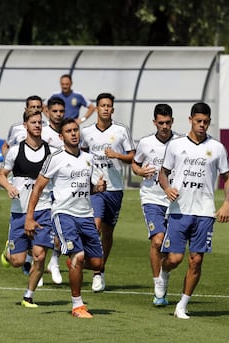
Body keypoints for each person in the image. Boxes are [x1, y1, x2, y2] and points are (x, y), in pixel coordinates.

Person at [156, 102, 229, 319]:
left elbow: (228, 178)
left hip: (205, 212)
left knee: (196, 260)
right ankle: (163, 272)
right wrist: (167, 187)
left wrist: (227, 202)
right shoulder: (176, 145)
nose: (202, 125)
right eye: (198, 121)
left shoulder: (217, 148)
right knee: (175, 258)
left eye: (206, 122)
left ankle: (182, 304)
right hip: (179, 210)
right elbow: (163, 172)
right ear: (190, 119)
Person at [24, 118, 106, 318]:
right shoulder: (56, 158)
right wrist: (30, 217)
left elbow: (88, 190)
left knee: (97, 263)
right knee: (78, 256)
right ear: (61, 137)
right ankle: (77, 306)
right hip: (63, 214)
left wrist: (97, 189)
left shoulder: (89, 158)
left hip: (86, 214)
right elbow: (38, 187)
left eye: (76, 130)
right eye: (69, 131)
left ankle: (72, 263)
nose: (74, 134)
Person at [0, 107, 54, 308]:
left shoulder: (51, 152)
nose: (38, 126)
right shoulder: (15, 151)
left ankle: (28, 296)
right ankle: (9, 251)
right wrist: (9, 185)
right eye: (34, 122)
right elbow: (1, 175)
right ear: (25, 126)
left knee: (39, 256)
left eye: (40, 122)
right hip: (19, 211)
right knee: (17, 261)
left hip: (43, 210)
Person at [81, 92, 135, 292]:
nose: (105, 108)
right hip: (96, 188)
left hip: (115, 189)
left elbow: (132, 157)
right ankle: (92, 266)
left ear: (112, 109)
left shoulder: (121, 131)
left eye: (108, 106)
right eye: (102, 105)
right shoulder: (86, 132)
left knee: (107, 232)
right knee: (94, 226)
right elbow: (81, 155)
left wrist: (117, 155)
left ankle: (99, 270)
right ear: (97, 108)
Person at [131, 103, 178, 306]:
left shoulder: (181, 142)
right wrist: (139, 171)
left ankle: (163, 277)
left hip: (175, 201)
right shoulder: (145, 143)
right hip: (152, 198)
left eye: (167, 123)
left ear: (172, 121)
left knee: (172, 252)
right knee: (157, 241)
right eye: (161, 123)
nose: (164, 126)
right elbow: (135, 163)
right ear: (154, 122)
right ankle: (157, 283)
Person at [42, 97, 66, 285]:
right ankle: (36, 266)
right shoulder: (42, 133)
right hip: (43, 189)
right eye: (55, 111)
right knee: (40, 228)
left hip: (62, 190)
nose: (58, 114)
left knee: (60, 229)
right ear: (48, 112)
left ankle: (55, 261)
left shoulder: (69, 131)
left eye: (61, 111)